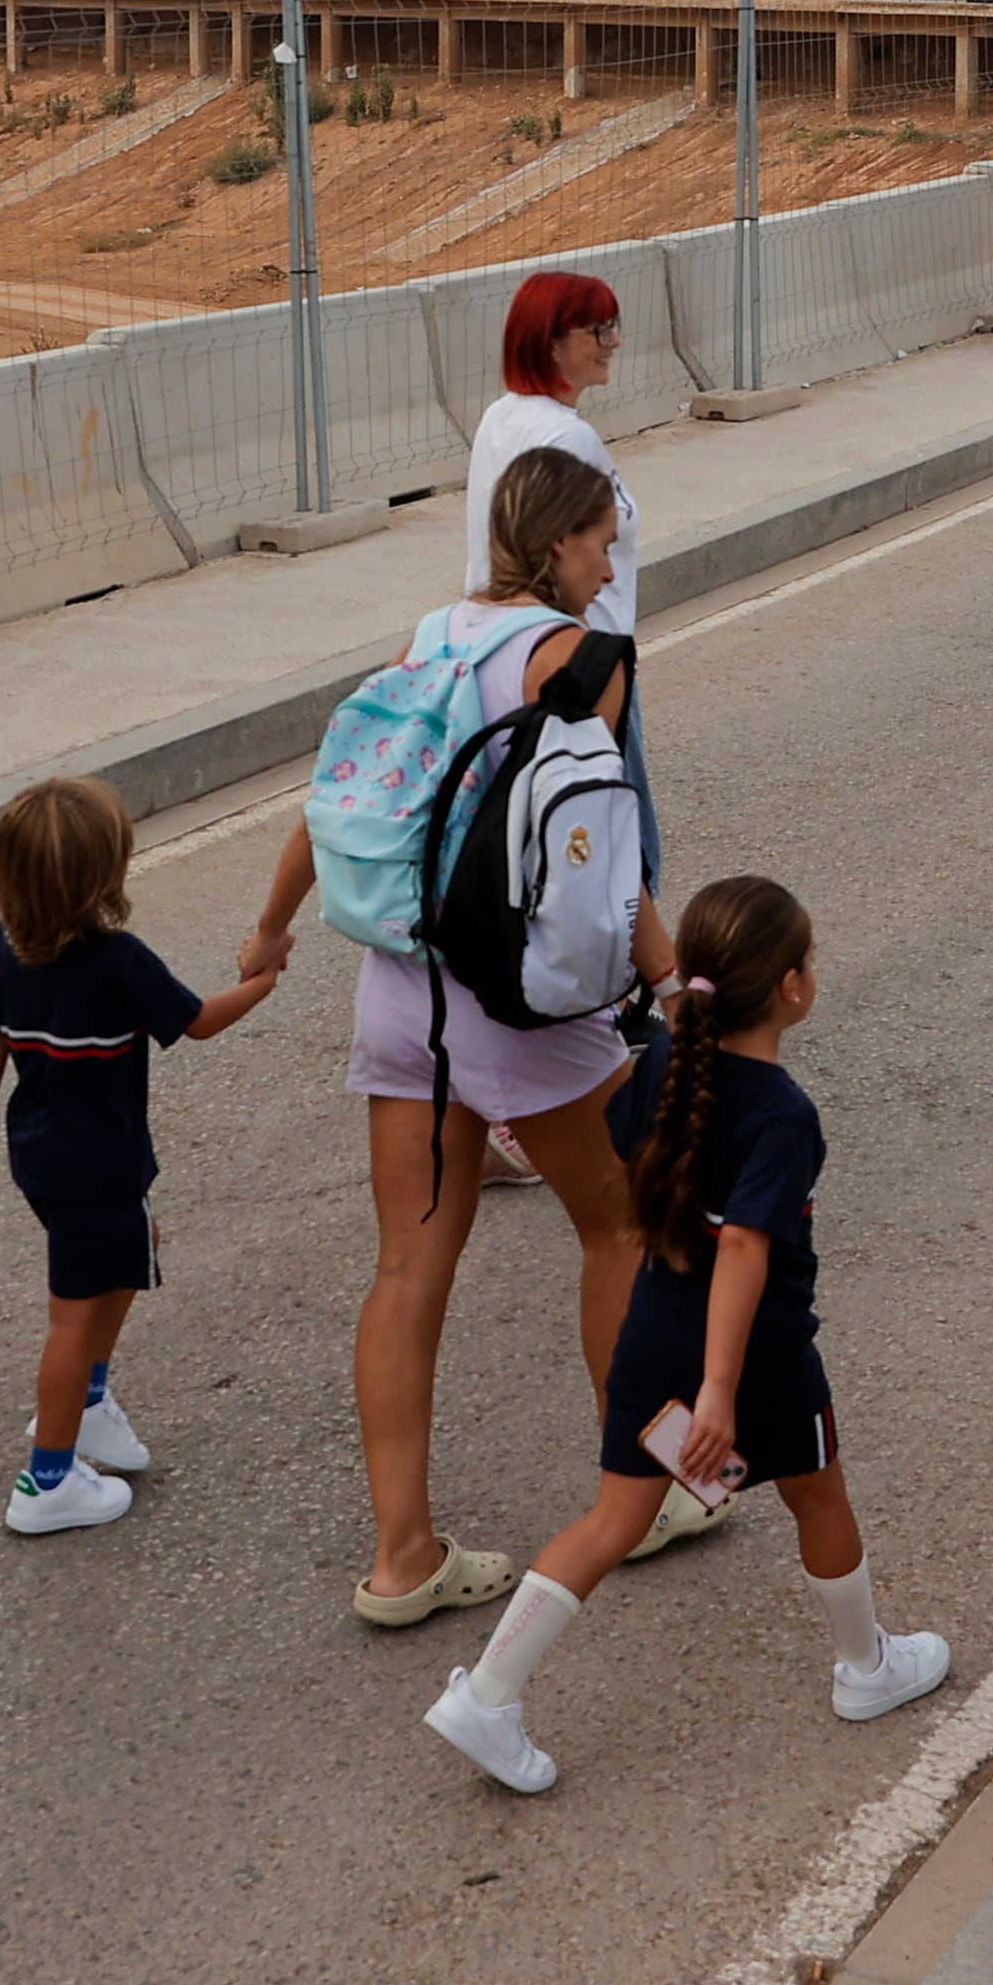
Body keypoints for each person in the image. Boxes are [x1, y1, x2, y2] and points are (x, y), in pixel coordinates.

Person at [243, 448, 690, 1631]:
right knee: (620, 1223)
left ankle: (402, 1558)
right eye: (600, 540)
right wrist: (670, 983)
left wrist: (270, 928)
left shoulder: (437, 633)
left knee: (407, 1266)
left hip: (403, 990)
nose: (610, 563)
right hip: (519, 1003)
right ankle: (640, 1495)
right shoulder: (584, 662)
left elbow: (338, 797)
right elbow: (595, 854)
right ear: (555, 545)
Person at [417, 874, 953, 1794]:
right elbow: (745, 1244)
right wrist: (720, 1387)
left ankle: (491, 1692)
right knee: (819, 1498)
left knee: (611, 1518)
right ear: (791, 986)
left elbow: (631, 1150)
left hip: (653, 1326)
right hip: (758, 1360)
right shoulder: (782, 1113)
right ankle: (866, 1667)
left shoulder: (667, 1061)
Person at [0, 776, 277, 1536]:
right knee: (73, 1314)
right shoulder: (116, 959)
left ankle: (89, 1404)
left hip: (43, 1152)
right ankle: (48, 1479)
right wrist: (263, 980)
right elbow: (196, 1022)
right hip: (97, 1162)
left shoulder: (5, 947)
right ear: (106, 872)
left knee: (135, 1254)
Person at [459, 268, 656, 1182]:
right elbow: (597, 553)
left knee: (521, 854)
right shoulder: (563, 434)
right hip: (580, 666)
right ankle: (570, 1083)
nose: (611, 343)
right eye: (593, 330)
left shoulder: (506, 416)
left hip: (511, 647)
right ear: (549, 341)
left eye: (614, 326)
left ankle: (500, 1089)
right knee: (605, 857)